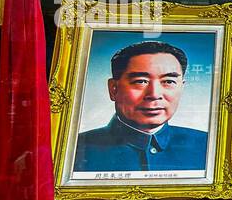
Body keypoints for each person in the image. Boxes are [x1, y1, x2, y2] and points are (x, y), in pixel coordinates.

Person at [74, 40, 208, 172]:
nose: (154, 94)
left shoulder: (208, 145)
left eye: (168, 81)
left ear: (181, 88)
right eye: (141, 81)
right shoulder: (75, 149)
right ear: (113, 89)